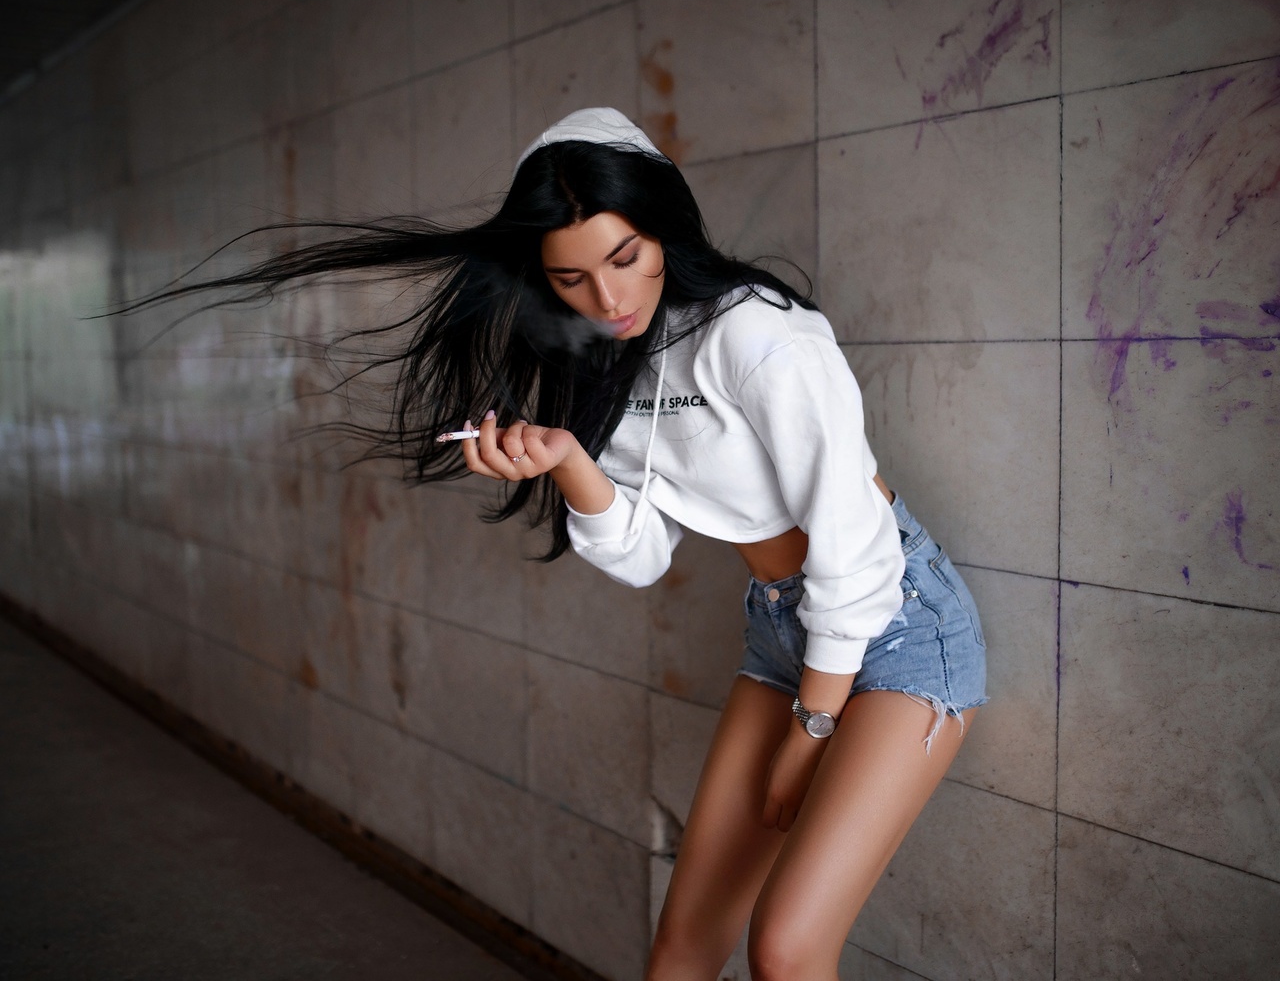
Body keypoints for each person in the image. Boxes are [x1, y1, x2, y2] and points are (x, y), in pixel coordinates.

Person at [144, 107, 987, 980]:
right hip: (782, 626)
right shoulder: (604, 362)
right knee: (682, 950)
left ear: (663, 227)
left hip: (894, 624)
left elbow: (854, 540)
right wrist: (568, 460)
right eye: (572, 279)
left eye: (624, 259)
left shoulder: (757, 333)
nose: (609, 300)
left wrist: (811, 728)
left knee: (785, 948)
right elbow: (642, 556)